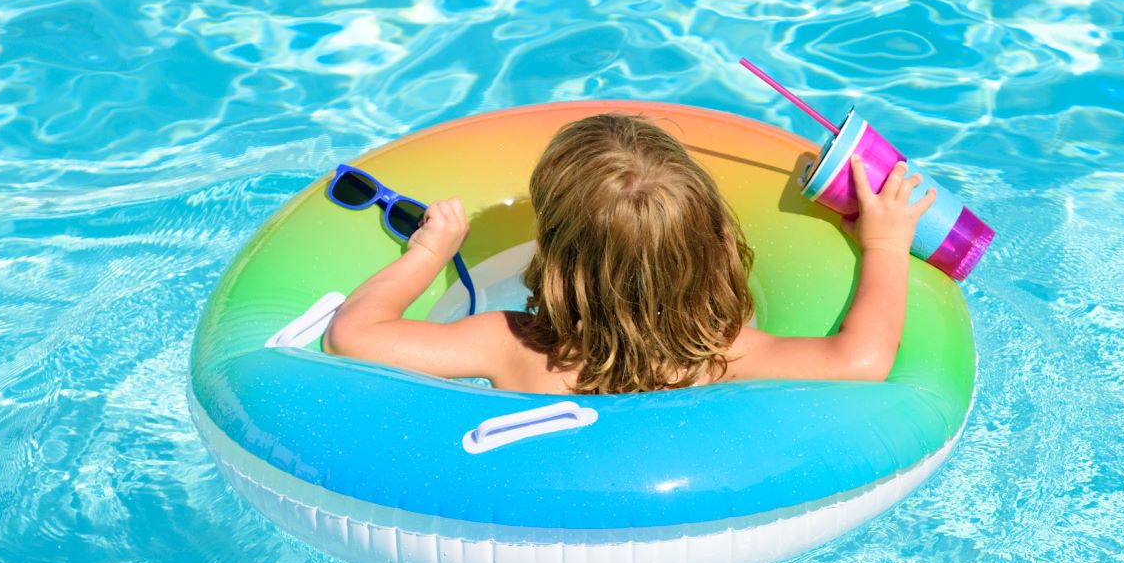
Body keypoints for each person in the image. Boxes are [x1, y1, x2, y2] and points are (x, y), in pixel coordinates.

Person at [323, 112, 937, 393]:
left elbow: (353, 337)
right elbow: (862, 360)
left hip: (525, 526)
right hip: (632, 542)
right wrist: (884, 243)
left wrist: (428, 253)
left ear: (557, 256)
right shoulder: (718, 357)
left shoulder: (507, 344)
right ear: (713, 246)